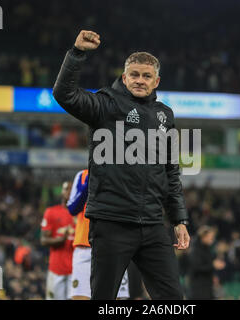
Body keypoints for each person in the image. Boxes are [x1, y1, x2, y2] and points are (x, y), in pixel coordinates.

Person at [53, 30, 190, 300]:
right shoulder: (105, 105)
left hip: (152, 224)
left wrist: (179, 219)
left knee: (174, 300)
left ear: (156, 81)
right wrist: (77, 54)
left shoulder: (165, 115)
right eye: (135, 75)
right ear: (125, 77)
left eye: (146, 76)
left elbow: (171, 171)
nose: (140, 80)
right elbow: (64, 94)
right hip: (111, 222)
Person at [66, 169, 130, 300]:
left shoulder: (124, 174)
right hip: (85, 248)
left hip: (113, 247)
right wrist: (90, 179)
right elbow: (73, 208)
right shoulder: (82, 175)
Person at [40, 181, 75, 300]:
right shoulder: (51, 212)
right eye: (66, 189)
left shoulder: (82, 214)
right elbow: (44, 240)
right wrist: (62, 239)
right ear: (62, 192)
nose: (69, 192)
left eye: (72, 189)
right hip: (56, 268)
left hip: (76, 270)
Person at [188, 225, 224, 299]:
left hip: (208, 286)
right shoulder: (195, 250)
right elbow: (196, 267)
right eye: (211, 237)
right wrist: (213, 265)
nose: (212, 239)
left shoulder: (207, 249)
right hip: (199, 288)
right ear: (203, 237)